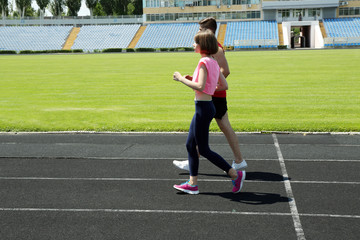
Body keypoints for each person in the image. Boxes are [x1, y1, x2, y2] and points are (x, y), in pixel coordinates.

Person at [172, 30, 245, 195]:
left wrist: (181, 78)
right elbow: (223, 85)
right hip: (206, 106)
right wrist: (202, 84)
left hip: (203, 108)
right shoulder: (212, 61)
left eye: (195, 42)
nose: (193, 45)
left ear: (202, 46)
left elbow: (200, 87)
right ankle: (192, 183)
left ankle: (234, 174)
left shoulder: (203, 62)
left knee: (203, 149)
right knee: (191, 145)